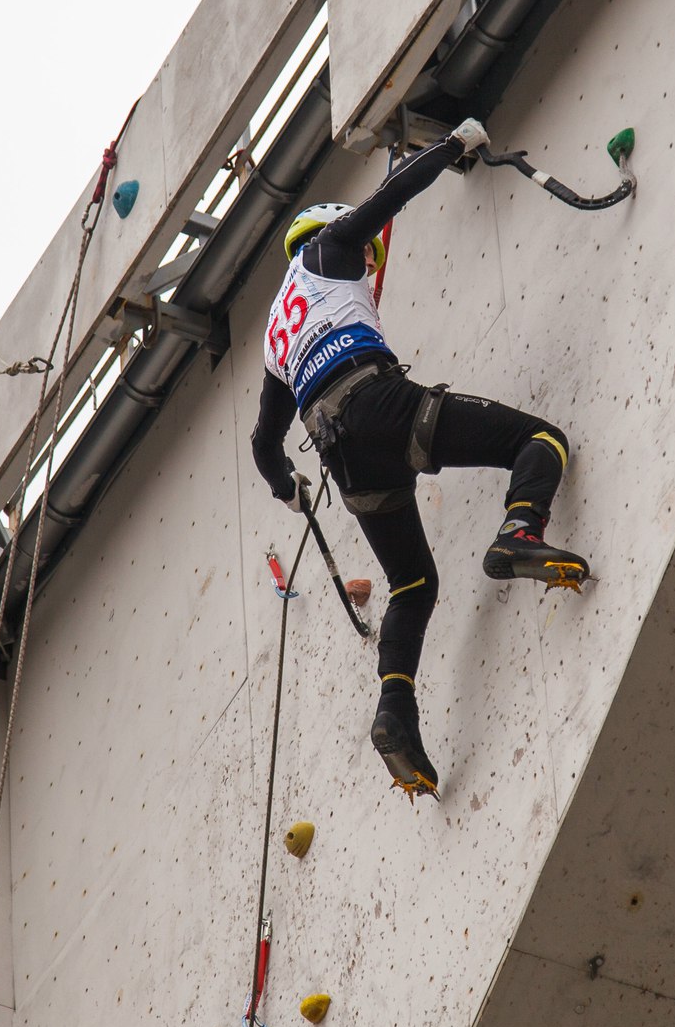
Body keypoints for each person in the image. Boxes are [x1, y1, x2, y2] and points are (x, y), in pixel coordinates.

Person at [250, 117, 590, 799]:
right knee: (537, 440)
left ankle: (394, 712)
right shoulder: (327, 251)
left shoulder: (273, 337)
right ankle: (519, 530)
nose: (369, 270)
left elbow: (264, 443)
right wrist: (454, 144)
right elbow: (390, 199)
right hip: (378, 405)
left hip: (343, 462)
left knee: (411, 586)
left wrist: (288, 488)